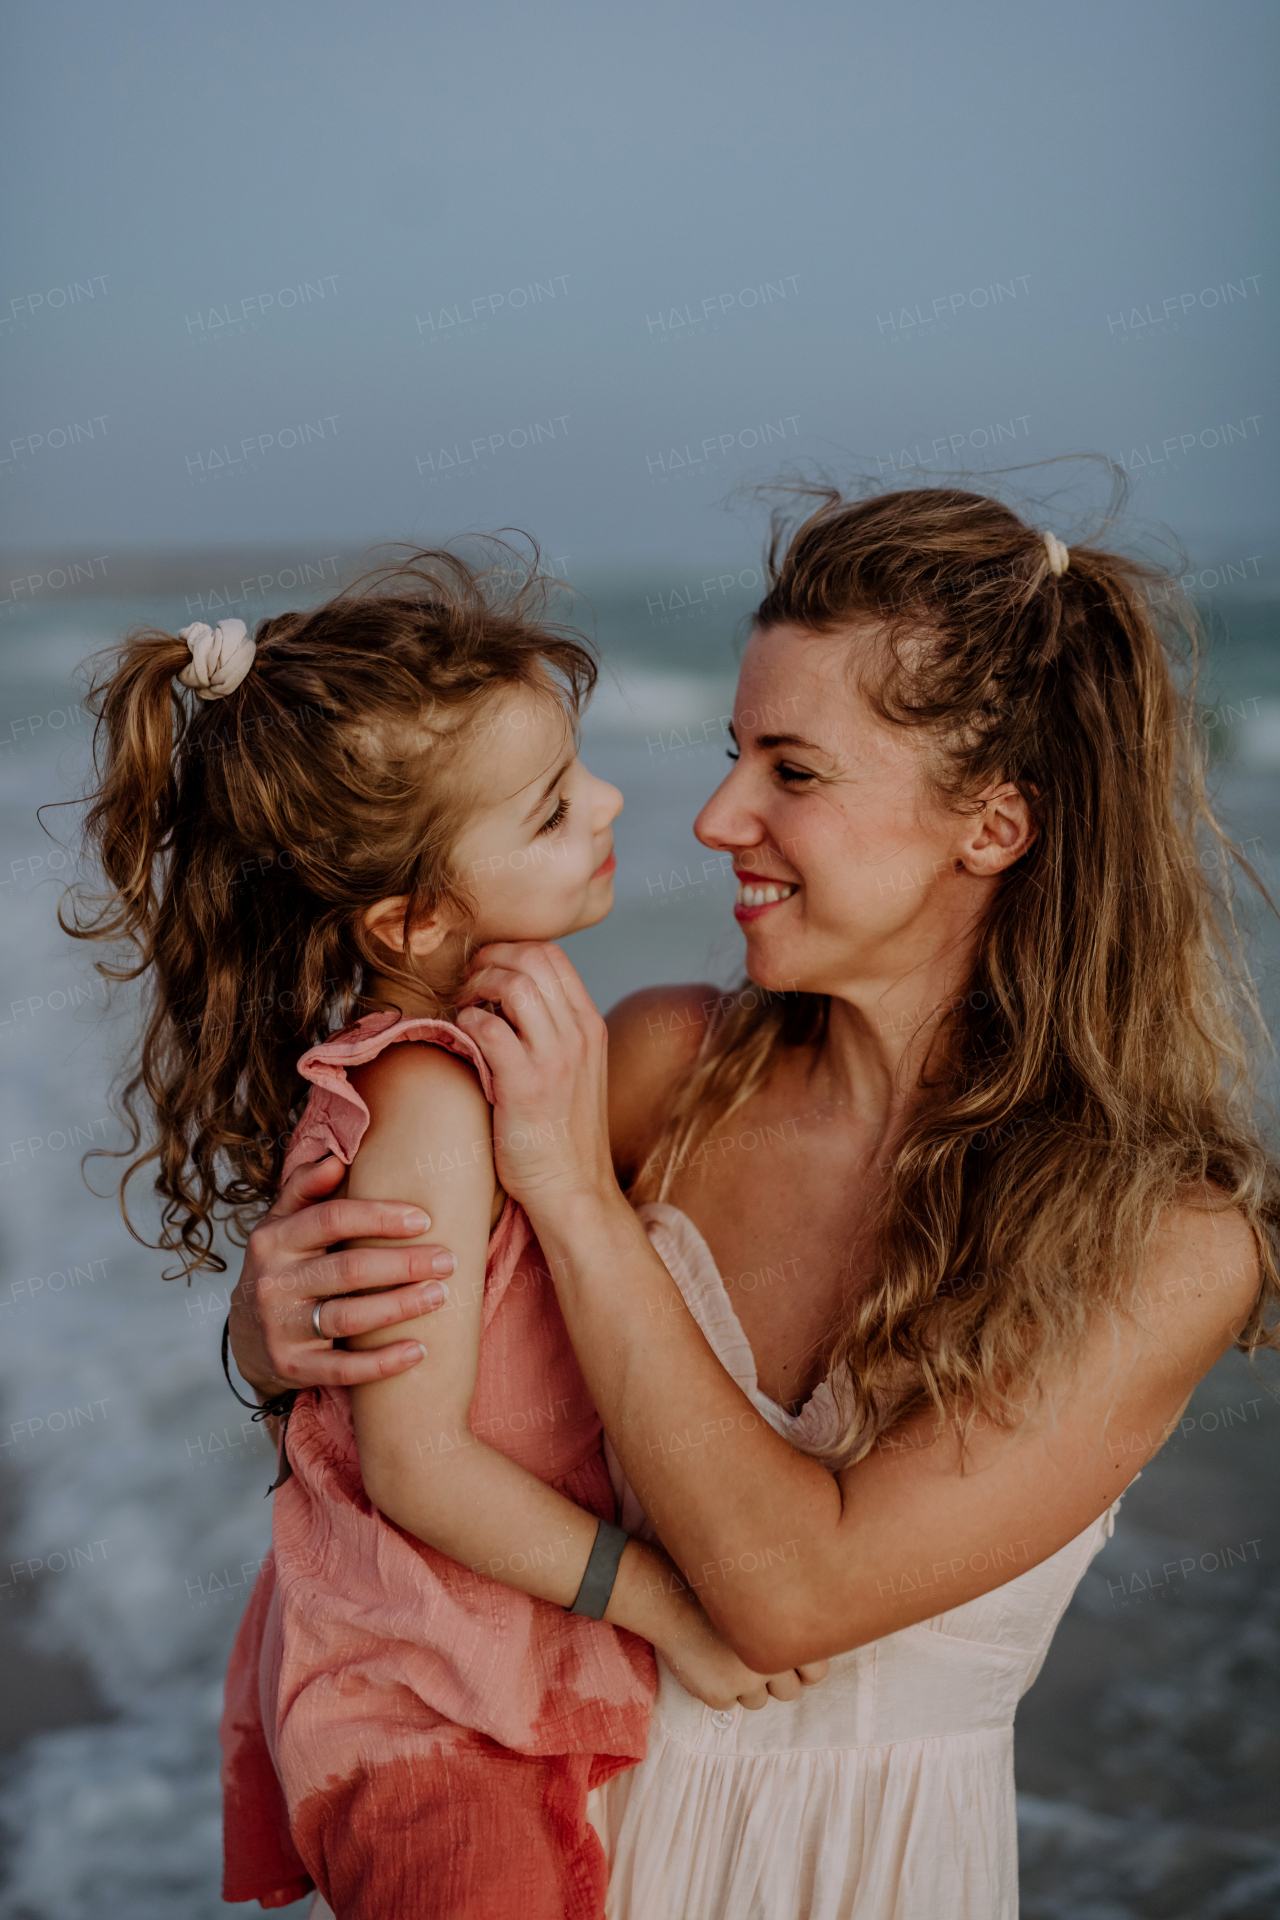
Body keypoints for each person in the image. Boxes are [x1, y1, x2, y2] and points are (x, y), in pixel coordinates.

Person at [229, 490, 1279, 1919]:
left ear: (993, 823)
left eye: (795, 769)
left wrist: (576, 1203)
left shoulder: (1168, 1244)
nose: (721, 816)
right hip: (549, 1839)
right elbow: (386, 1366)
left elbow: (789, 1594)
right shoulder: (664, 1067)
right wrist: (267, 1320)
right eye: (737, 754)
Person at [63, 549, 823, 1920]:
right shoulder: (426, 1096)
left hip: (443, 1685)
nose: (608, 803)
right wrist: (662, 1603)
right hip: (425, 1716)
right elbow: (413, 1467)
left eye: (578, 771)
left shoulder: (470, 1062)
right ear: (408, 916)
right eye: (548, 811)